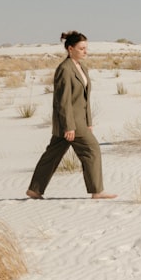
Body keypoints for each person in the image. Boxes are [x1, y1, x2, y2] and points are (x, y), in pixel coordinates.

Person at [26, 31, 116, 200]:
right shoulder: (64, 69)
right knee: (92, 149)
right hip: (71, 121)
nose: (85, 52)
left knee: (52, 155)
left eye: (86, 48)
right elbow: (63, 101)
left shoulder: (82, 67)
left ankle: (34, 190)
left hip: (80, 120)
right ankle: (97, 191)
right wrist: (69, 126)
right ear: (70, 48)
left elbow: (85, 97)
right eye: (81, 48)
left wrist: (89, 121)